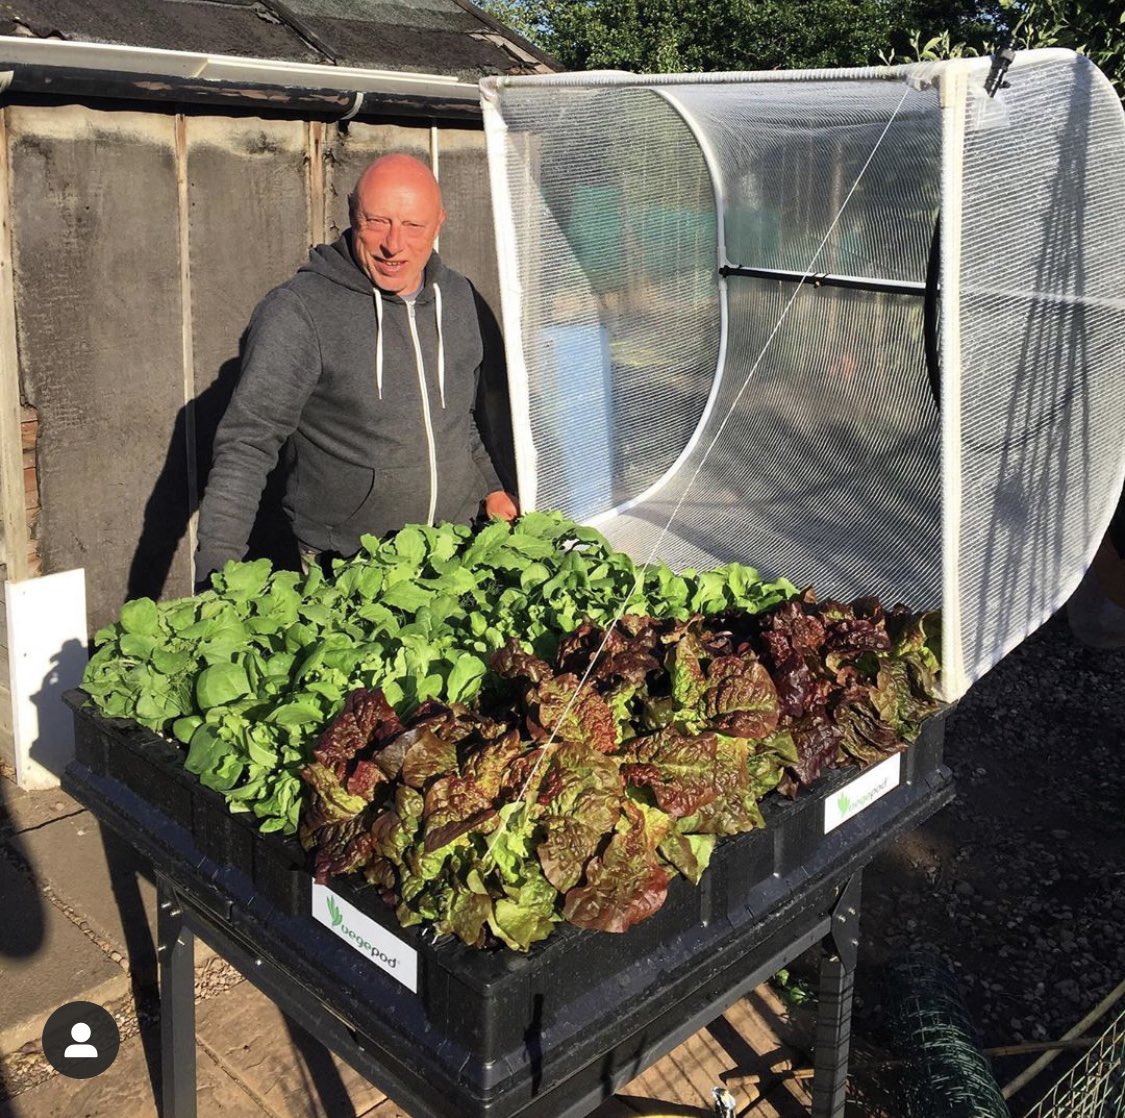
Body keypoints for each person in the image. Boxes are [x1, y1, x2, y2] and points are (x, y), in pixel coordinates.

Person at [194, 153, 517, 586]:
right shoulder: (300, 311)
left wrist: (490, 487)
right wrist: (216, 580)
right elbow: (246, 448)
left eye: (413, 226)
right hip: (348, 567)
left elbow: (458, 419)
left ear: (439, 222)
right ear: (350, 212)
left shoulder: (458, 298)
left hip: (454, 552)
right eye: (377, 221)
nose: (393, 244)